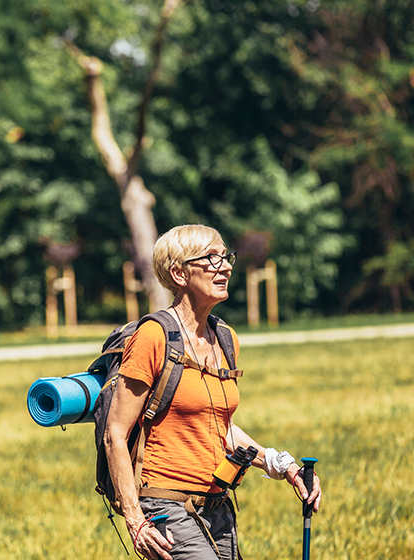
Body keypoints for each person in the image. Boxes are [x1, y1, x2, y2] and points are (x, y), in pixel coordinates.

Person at [104, 224, 322, 560]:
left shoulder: (225, 338)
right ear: (178, 273)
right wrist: (135, 520)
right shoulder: (154, 337)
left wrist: (284, 466)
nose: (226, 266)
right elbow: (115, 434)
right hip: (164, 506)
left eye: (226, 256)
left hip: (217, 506)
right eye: (211, 258)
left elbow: (221, 429)